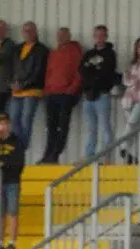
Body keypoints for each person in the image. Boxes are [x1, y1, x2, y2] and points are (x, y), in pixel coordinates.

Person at [42, 28, 84, 163]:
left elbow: (79, 72)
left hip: (65, 94)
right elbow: (48, 72)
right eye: (58, 35)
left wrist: (71, 89)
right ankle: (47, 154)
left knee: (62, 126)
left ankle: (55, 154)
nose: (60, 38)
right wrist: (47, 90)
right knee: (51, 126)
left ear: (69, 36)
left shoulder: (75, 51)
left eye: (63, 35)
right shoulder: (54, 53)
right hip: (51, 94)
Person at [0, 114, 24, 249]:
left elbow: (18, 162)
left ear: (8, 124)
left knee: (12, 212)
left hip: (12, 181)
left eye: (2, 123)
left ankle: (12, 243)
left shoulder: (16, 142)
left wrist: (2, 163)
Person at [80, 26, 119, 159]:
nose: (99, 38)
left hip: (102, 94)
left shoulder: (110, 53)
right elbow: (82, 71)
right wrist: (94, 68)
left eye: (102, 35)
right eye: (97, 35)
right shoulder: (88, 53)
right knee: (91, 128)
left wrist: (92, 68)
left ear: (106, 37)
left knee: (105, 126)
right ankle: (89, 156)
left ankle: (107, 157)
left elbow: (106, 72)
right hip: (88, 95)